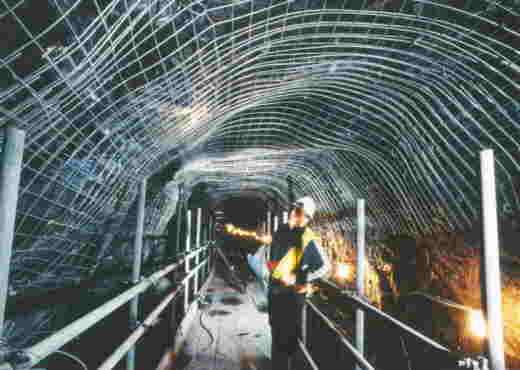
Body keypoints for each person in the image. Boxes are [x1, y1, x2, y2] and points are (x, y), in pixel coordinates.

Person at [267, 196, 331, 369]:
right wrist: (272, 271)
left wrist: (301, 279)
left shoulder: (307, 238)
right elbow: (272, 258)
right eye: (294, 209)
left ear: (307, 218)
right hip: (275, 293)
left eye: (299, 212)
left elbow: (325, 266)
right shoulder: (280, 231)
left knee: (288, 341)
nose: (294, 213)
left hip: (291, 297)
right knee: (276, 334)